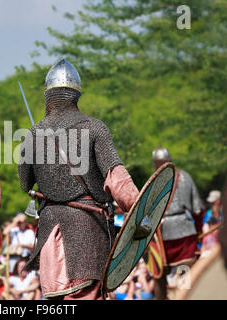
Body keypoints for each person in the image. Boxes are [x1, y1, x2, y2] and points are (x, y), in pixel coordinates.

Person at [18, 59, 139, 300]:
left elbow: (24, 183)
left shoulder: (33, 134)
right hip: (89, 232)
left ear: (49, 96)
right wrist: (139, 207)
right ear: (75, 95)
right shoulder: (95, 128)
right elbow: (116, 178)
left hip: (51, 236)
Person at [151, 147, 203, 300]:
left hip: (163, 236)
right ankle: (185, 297)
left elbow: (148, 215)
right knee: (183, 271)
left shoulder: (153, 182)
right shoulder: (185, 177)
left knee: (160, 274)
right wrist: (198, 233)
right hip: (184, 232)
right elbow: (198, 210)